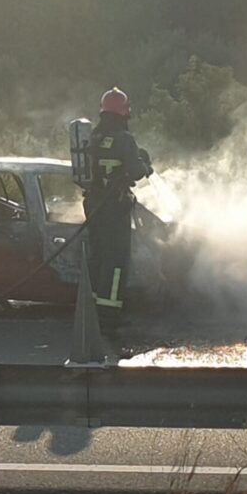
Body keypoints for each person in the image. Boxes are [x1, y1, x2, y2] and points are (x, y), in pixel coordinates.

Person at [83, 87, 152, 331]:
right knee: (116, 262)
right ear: (124, 113)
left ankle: (93, 313)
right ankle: (110, 317)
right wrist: (146, 164)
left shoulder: (94, 136)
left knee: (98, 258)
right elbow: (136, 171)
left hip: (94, 205)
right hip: (114, 207)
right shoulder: (124, 139)